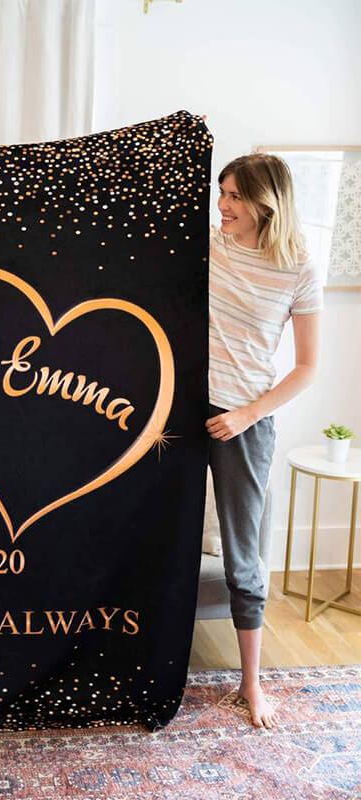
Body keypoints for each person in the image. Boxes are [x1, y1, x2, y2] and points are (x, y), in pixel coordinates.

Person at [206, 153, 321, 728]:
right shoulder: (207, 245)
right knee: (153, 534)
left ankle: (251, 683)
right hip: (178, 411)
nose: (222, 205)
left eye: (234, 196)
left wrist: (247, 414)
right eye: (221, 192)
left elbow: (306, 368)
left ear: (265, 202)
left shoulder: (298, 265)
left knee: (243, 554)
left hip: (245, 420)